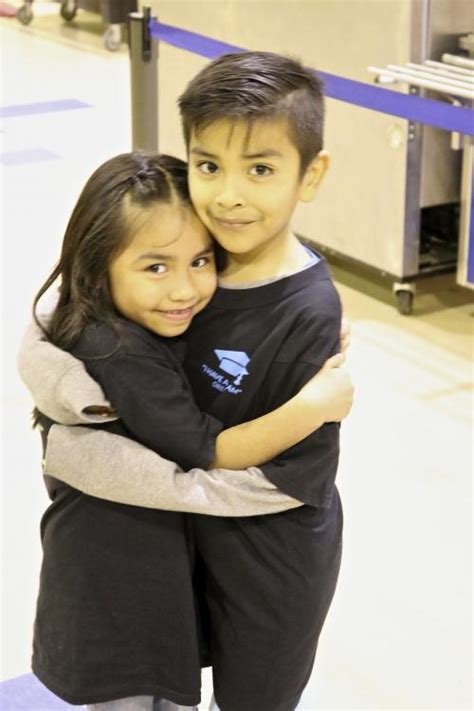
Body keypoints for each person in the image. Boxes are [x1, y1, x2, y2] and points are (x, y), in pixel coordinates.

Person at [18, 52, 354, 710]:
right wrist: (66, 405)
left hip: (266, 558)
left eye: (259, 168)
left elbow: (282, 482)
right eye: (209, 165)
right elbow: (65, 311)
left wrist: (317, 403)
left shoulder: (290, 302)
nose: (228, 194)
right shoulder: (181, 272)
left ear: (309, 175)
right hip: (155, 556)